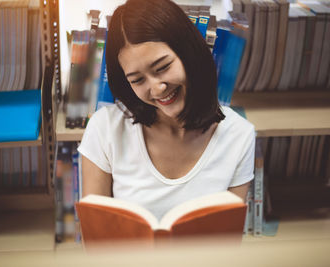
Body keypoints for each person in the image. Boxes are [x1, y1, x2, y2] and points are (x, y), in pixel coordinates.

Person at [77, 0, 255, 220]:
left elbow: (228, 238)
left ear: (188, 53)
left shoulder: (239, 136)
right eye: (137, 79)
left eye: (163, 67)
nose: (157, 88)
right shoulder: (104, 129)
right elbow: (95, 237)